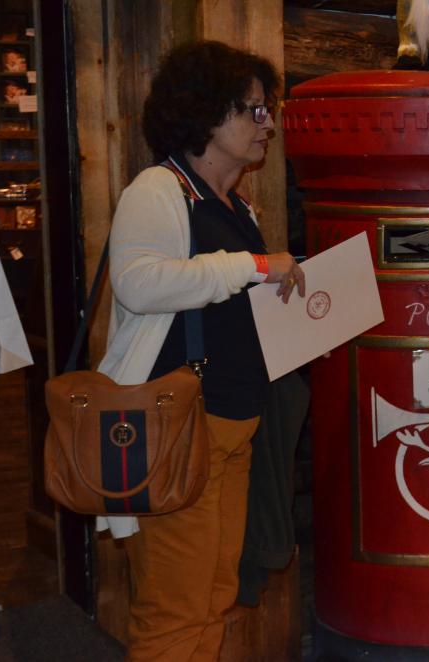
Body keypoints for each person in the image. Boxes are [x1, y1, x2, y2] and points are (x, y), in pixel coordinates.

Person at [96, 40, 304, 661]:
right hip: (178, 432)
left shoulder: (235, 204)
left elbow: (227, 301)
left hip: (231, 428)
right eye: (254, 110)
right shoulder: (158, 190)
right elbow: (138, 283)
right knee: (174, 612)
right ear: (207, 113)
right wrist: (255, 266)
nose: (267, 124)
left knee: (215, 595)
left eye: (268, 110)